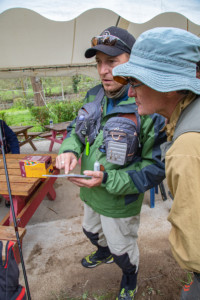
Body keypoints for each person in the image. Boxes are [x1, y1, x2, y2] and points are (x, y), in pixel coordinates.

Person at [56, 26, 166, 300]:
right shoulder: (94, 95)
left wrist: (107, 179)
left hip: (120, 202)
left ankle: (130, 279)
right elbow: (75, 130)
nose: (103, 71)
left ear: (133, 61)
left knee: (123, 251)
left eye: (112, 62)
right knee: (90, 231)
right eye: (99, 63)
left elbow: (156, 168)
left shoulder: (148, 105)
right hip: (90, 193)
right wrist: (70, 149)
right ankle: (102, 252)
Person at [112, 27, 200, 299]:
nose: (129, 93)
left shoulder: (187, 147)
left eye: (136, 82)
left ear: (170, 85)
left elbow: (196, 250)